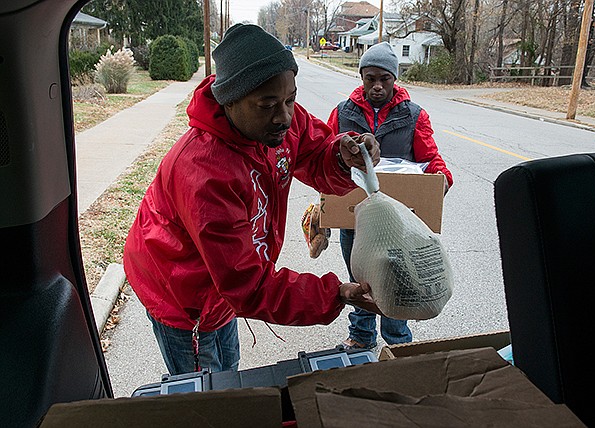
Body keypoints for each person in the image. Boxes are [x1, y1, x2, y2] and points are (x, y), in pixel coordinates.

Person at [123, 24, 381, 375]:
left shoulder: (278, 123)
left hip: (221, 290)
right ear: (229, 100)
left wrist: (341, 155)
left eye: (290, 99)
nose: (285, 116)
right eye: (268, 105)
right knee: (209, 390)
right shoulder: (204, 172)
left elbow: (314, 151)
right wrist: (334, 293)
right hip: (186, 295)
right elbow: (247, 286)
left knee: (230, 366)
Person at [327, 41, 454, 350]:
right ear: (361, 77)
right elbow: (325, 156)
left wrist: (441, 179)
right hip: (355, 217)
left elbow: (431, 157)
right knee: (360, 280)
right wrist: (322, 207)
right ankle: (361, 335)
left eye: (385, 78)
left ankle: (398, 342)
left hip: (398, 223)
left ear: (395, 79)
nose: (378, 86)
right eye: (370, 78)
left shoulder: (414, 115)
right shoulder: (342, 112)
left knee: (399, 281)